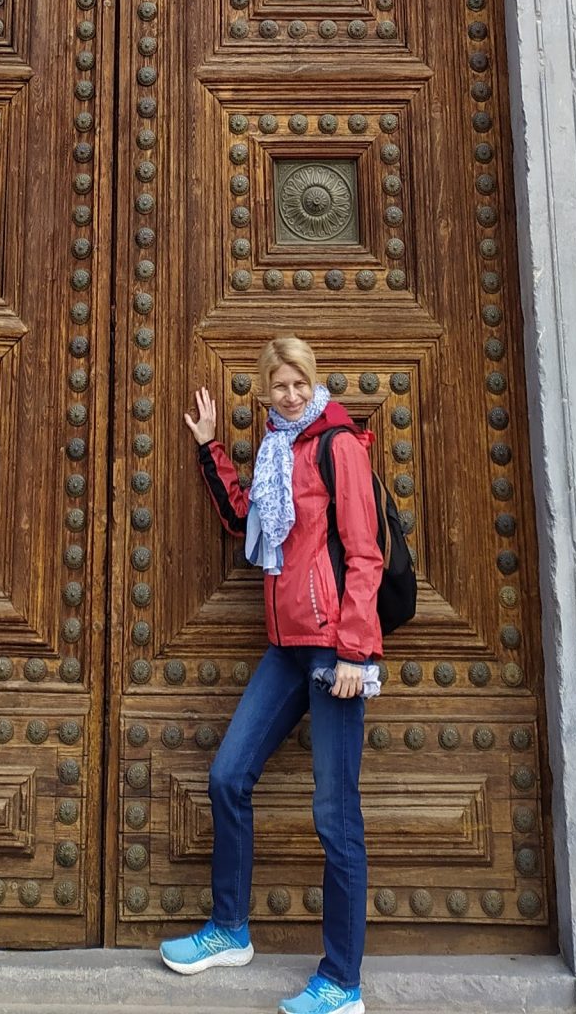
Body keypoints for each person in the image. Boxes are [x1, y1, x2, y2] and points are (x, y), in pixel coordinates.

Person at [162, 336, 382, 1014]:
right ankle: (230, 929)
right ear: (264, 391)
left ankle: (342, 983)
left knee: (335, 816)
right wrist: (210, 447)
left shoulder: (339, 445)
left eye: (299, 384)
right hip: (286, 648)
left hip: (333, 653)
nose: (290, 395)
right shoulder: (275, 450)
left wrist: (354, 653)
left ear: (314, 383)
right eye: (279, 386)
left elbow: (365, 554)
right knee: (228, 776)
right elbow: (243, 520)